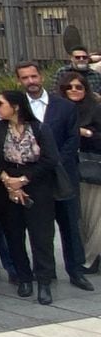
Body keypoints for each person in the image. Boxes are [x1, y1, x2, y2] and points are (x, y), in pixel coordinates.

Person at [0, 89, 61, 305]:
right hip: (7, 185)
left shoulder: (39, 128)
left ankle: (44, 282)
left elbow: (50, 159)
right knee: (14, 235)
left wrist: (24, 180)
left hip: (36, 185)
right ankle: (24, 278)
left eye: (1, 103)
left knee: (41, 237)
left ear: (16, 106)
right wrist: (7, 180)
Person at [26, 66, 95, 292]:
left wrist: (53, 163)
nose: (31, 81)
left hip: (64, 175)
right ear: (20, 81)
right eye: (25, 78)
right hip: (35, 179)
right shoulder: (20, 107)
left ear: (42, 77)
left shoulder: (63, 106)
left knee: (70, 226)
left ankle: (76, 271)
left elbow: (72, 139)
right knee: (41, 230)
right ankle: (45, 274)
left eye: (34, 76)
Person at [73, 74, 101, 271]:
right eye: (69, 87)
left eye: (79, 87)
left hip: (92, 168)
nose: (74, 90)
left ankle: (92, 259)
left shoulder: (96, 108)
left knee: (96, 218)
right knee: (80, 217)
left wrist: (86, 133)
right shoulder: (57, 109)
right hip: (68, 170)